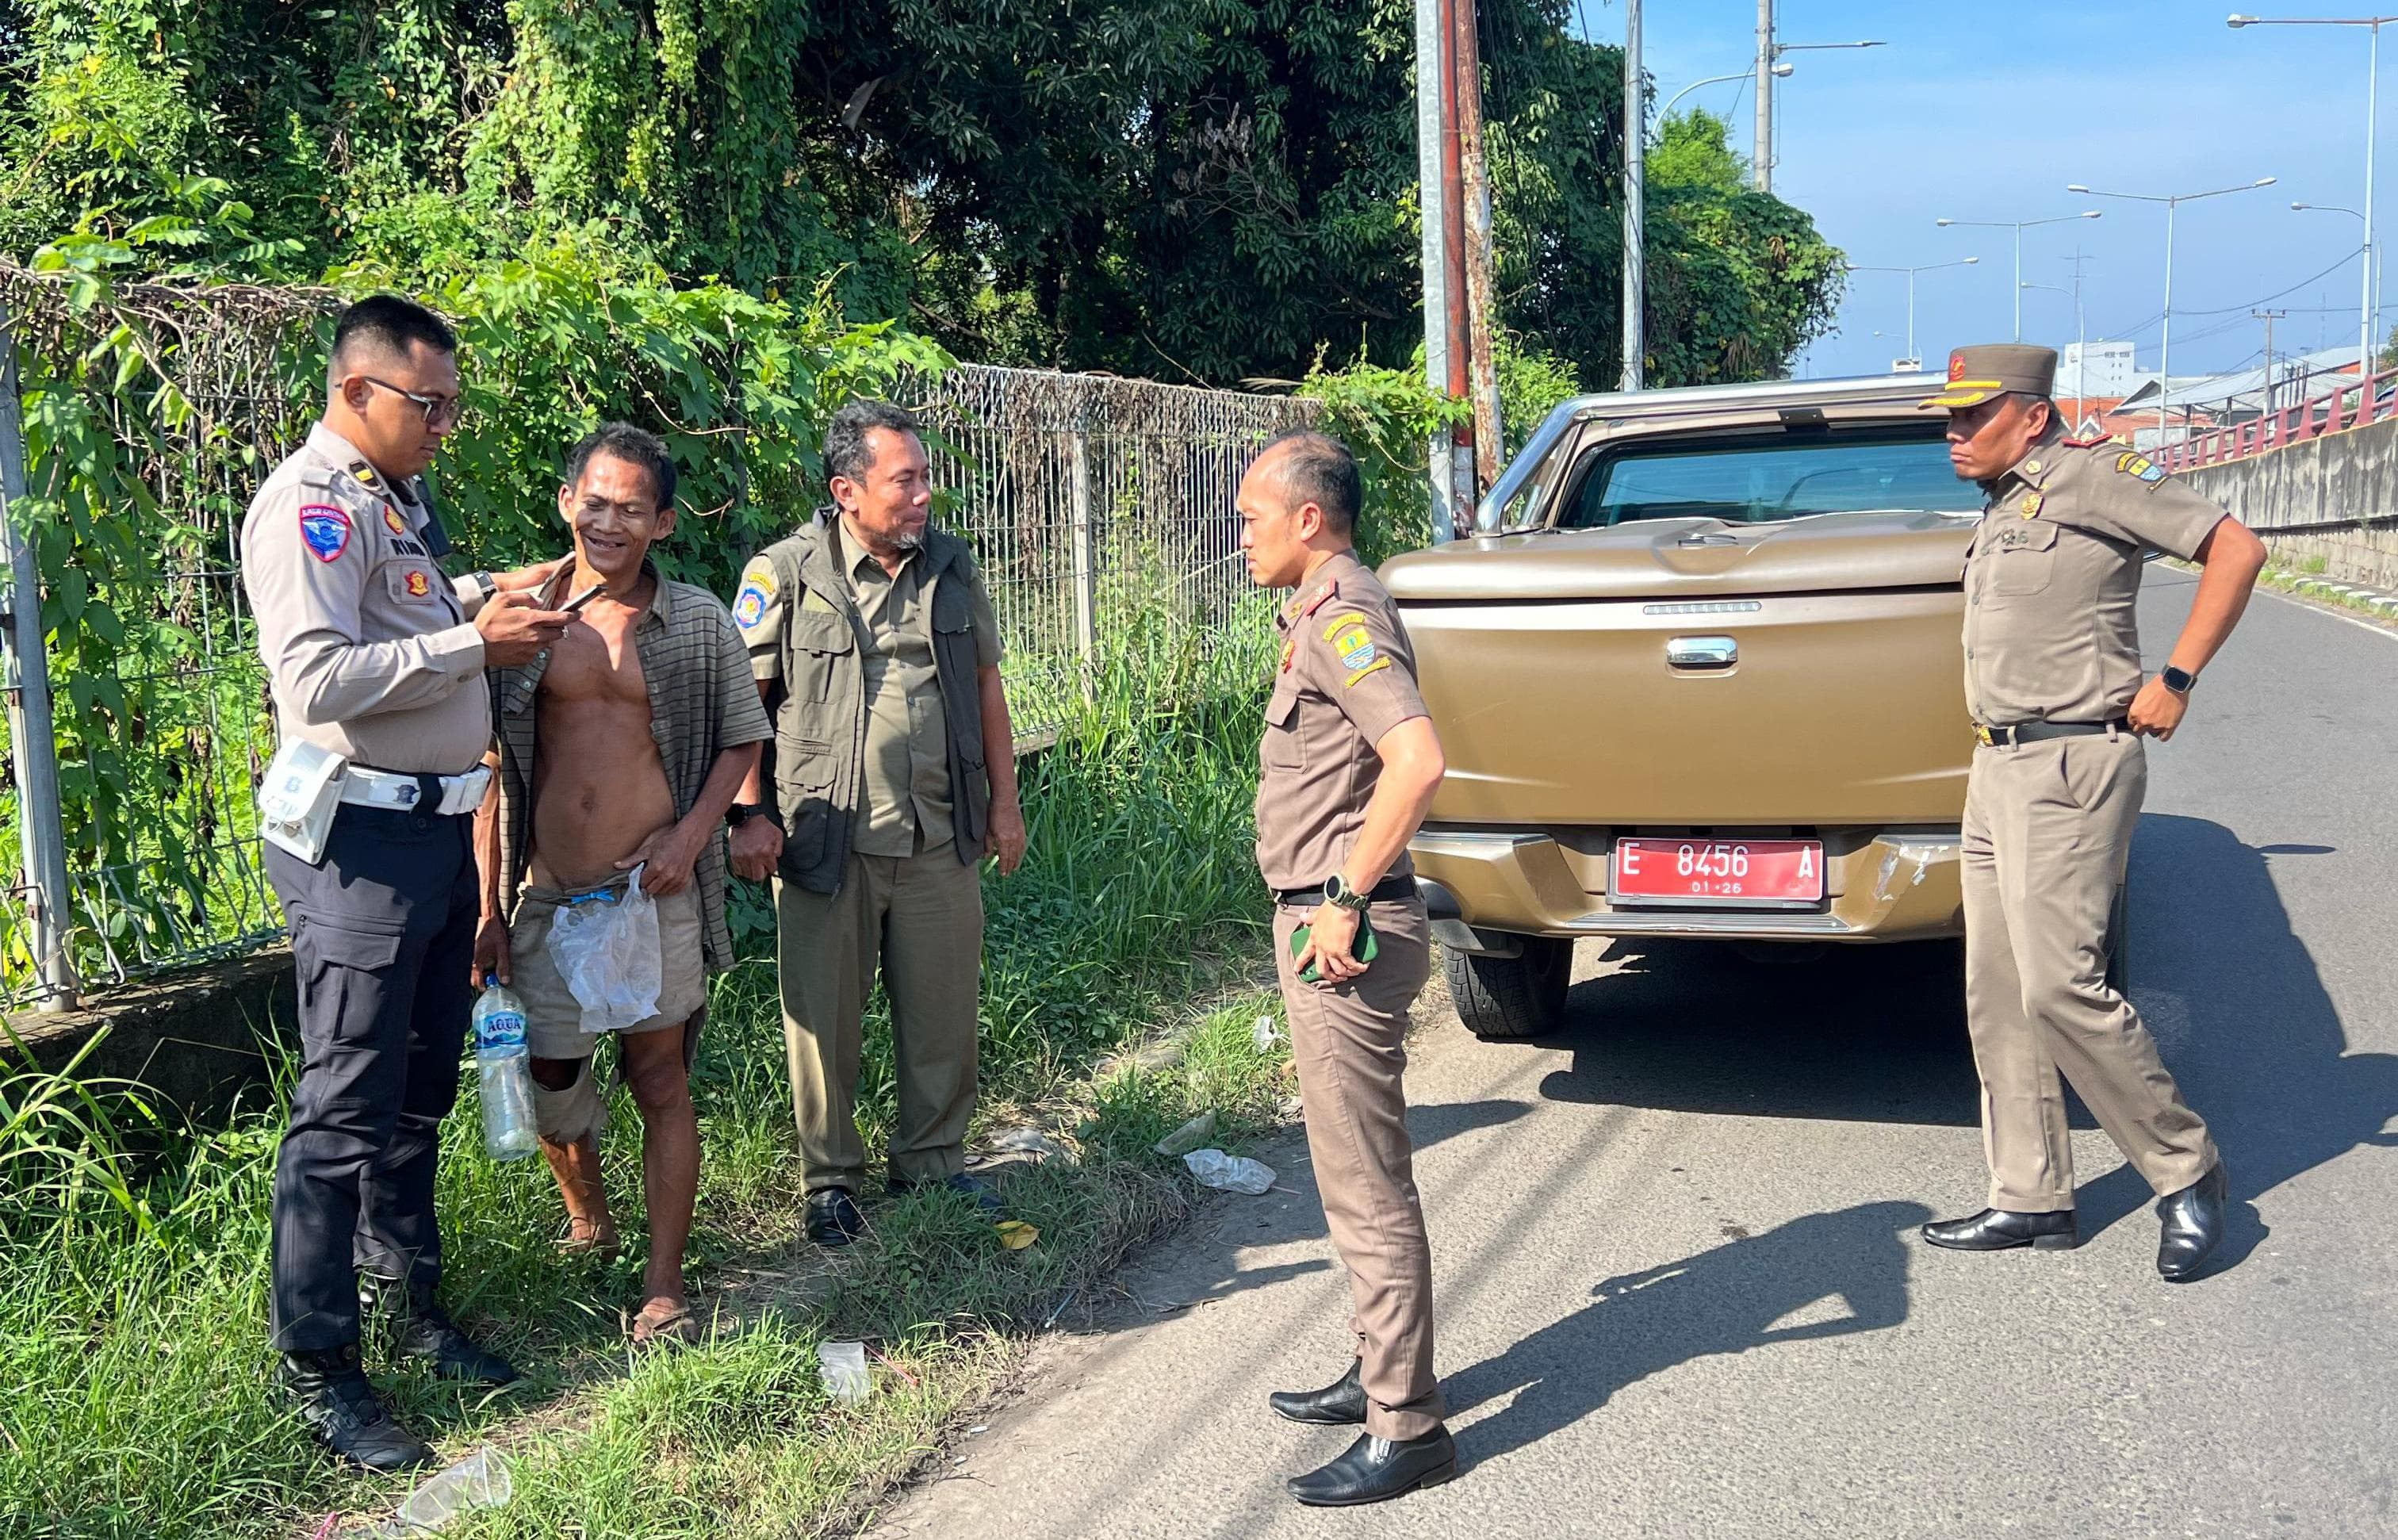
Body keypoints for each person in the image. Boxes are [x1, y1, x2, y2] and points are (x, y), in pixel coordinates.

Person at [241, 294, 573, 1470]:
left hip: (431, 838)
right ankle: (318, 1365)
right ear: (357, 391)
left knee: (419, 1086)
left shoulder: (387, 497)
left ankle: (406, 1301)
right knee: (344, 1105)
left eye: (450, 405)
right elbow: (317, 678)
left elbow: (400, 611)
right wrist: (473, 646)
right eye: (428, 405)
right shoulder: (312, 505)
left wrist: (480, 592)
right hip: (357, 846)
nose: (444, 425)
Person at [1919, 343, 2266, 1281]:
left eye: (1974, 414)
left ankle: (2187, 1169)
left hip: (2073, 763)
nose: (1954, 432)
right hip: (1997, 765)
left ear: (2033, 415)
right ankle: (2031, 1196)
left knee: (2061, 986)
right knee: (1998, 990)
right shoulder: (2001, 503)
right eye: (1949, 417)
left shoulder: (2095, 476)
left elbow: (2236, 549)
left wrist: (2177, 678)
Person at [473, 423, 772, 1344]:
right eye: (594, 503)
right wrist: (488, 908)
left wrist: (689, 837)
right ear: (567, 501)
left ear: (663, 522)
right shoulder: (520, 622)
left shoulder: (696, 621)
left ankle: (665, 1280)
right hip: (548, 892)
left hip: (653, 893)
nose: (608, 523)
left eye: (631, 509)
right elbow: (488, 767)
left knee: (659, 1076)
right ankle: (589, 1219)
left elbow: (743, 737)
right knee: (549, 1074)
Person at [725, 400, 1028, 1247]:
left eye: (926, 477)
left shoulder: (952, 567)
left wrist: (1005, 805)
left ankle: (932, 1160)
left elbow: (989, 686)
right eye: (906, 480)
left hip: (939, 833)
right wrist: (748, 813)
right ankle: (831, 1182)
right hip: (827, 837)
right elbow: (744, 702)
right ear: (846, 490)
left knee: (943, 1013)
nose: (924, 494)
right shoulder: (787, 572)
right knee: (822, 1022)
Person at [1239, 431, 1454, 1506]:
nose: (1241, 537)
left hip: (1343, 937)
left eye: (1251, 518)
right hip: (1329, 925)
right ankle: (1379, 1367)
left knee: (1367, 1188)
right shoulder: (1321, 609)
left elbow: (1418, 760)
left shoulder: (1343, 616)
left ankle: (1406, 1424)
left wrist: (1343, 895)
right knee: (1353, 1173)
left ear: (1308, 518)